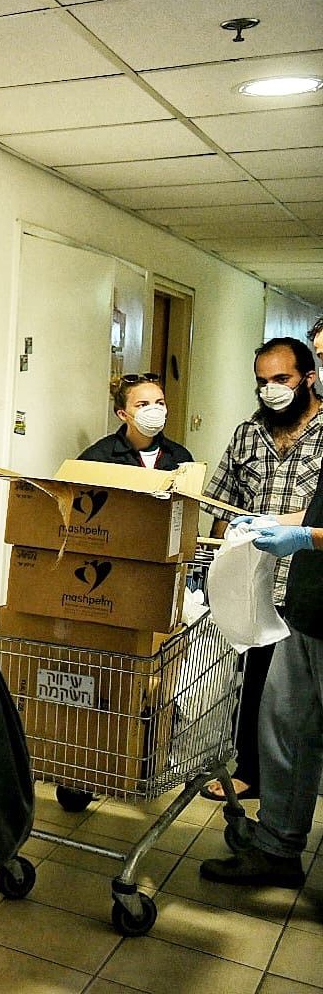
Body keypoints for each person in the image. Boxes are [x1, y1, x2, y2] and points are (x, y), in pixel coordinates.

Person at [201, 336, 323, 802]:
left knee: (301, 701)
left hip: (309, 586)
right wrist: (213, 569)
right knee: (254, 689)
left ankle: (298, 784)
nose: (270, 389)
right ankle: (252, 771)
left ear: (307, 378)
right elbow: (221, 502)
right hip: (255, 584)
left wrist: (289, 528)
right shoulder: (248, 434)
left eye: (281, 379)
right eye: (262, 381)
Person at [200, 464, 323, 886]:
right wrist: (277, 521)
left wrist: (306, 538)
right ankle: (277, 848)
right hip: (306, 612)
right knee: (284, 730)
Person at [78, 373, 194, 468]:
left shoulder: (180, 457)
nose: (154, 410)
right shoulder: (100, 457)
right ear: (123, 414)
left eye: (160, 403)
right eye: (142, 405)